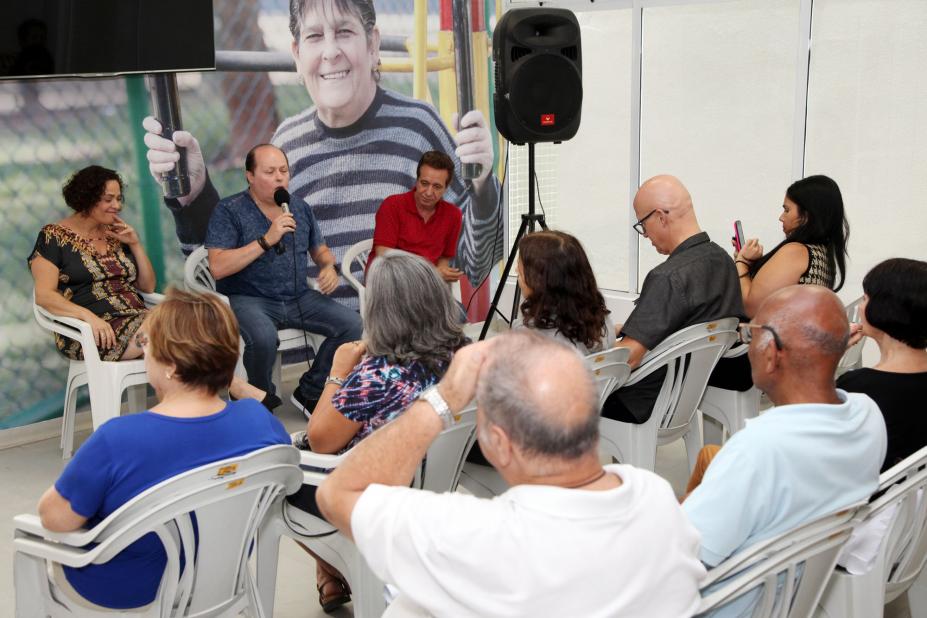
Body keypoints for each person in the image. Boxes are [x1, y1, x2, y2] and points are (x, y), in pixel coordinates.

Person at [316, 330, 707, 617]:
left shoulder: (471, 535)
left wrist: (445, 398)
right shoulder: (656, 497)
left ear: (500, 443)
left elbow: (336, 494)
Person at [142, 0, 500, 309]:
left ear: (372, 44)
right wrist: (195, 192)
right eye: (315, 36)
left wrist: (483, 185)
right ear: (298, 55)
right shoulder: (287, 146)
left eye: (344, 32)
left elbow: (477, 262)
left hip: (404, 356)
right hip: (313, 363)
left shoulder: (418, 128)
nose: (330, 52)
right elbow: (228, 274)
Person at [35, 288, 291, 610]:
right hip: (219, 579)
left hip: (131, 593)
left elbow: (54, 518)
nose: (144, 354)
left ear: (170, 364)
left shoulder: (118, 439)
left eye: (146, 344)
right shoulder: (259, 421)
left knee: (30, 544)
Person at [287, 249, 467, 611]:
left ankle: (334, 568)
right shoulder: (461, 356)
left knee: (279, 481)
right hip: (430, 485)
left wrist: (338, 371)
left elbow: (321, 440)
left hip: (368, 497)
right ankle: (335, 571)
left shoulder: (377, 374)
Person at [683, 286, 886, 575]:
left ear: (772, 354)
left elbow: (684, 555)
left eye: (751, 335)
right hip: (799, 584)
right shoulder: (867, 414)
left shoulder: (758, 449)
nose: (749, 345)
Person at [205, 144, 363, 412]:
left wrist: (327, 268)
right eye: (269, 171)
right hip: (249, 297)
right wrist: (267, 239)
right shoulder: (229, 210)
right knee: (264, 338)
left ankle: (309, 390)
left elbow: (321, 251)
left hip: (298, 296)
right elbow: (218, 267)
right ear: (250, 176)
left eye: (283, 171)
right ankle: (257, 401)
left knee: (352, 324)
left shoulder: (298, 207)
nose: (279, 177)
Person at [602, 175, 743, 423]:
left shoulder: (667, 277)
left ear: (660, 217)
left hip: (644, 401)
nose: (644, 235)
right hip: (686, 396)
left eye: (642, 226)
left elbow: (629, 356)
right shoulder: (724, 261)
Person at [710, 174, 851, 391]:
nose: (780, 217)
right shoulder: (822, 253)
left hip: (763, 360)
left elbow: (751, 306)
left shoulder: (796, 251)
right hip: (789, 357)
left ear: (806, 216)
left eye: (787, 210)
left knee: (684, 364)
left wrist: (741, 262)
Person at [30, 165, 155, 362]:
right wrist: (88, 317)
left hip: (141, 320)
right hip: (95, 333)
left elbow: (147, 286)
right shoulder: (52, 237)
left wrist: (135, 244)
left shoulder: (116, 233)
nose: (117, 205)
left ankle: (182, 388)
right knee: (169, 331)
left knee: (189, 321)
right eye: (108, 199)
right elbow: (44, 296)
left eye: (118, 198)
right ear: (87, 198)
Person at [837, 258, 927, 472]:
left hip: (870, 501)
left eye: (865, 299)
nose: (859, 307)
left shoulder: (858, 388)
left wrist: (829, 358)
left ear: (885, 308)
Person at [367, 150, 463, 283]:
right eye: (424, 183)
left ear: (446, 188)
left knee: (458, 305)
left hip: (426, 286)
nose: (429, 192)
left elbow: (444, 260)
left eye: (437, 186)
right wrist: (432, 273)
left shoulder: (453, 215)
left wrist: (443, 272)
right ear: (416, 180)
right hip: (388, 284)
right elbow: (385, 260)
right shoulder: (392, 205)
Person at [516, 229, 615, 355]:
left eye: (519, 273)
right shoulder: (603, 324)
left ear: (540, 282)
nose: (517, 273)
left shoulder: (528, 337)